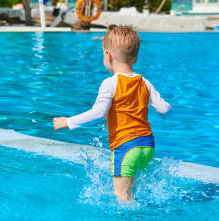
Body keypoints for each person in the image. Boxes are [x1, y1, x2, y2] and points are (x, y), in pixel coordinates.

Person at [53, 25, 171, 202]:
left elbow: (98, 112)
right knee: (133, 193)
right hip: (147, 146)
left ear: (107, 55)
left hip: (125, 146)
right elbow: (164, 109)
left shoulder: (110, 83)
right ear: (136, 58)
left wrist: (68, 122)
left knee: (121, 198)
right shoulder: (144, 82)